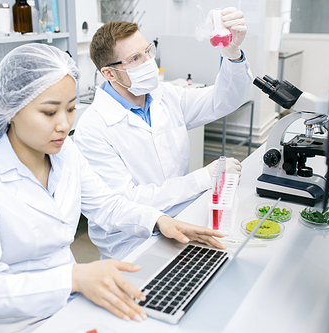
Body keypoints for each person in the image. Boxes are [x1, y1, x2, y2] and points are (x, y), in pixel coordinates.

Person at [0, 43, 225, 332]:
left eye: (70, 109)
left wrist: (159, 220)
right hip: (20, 323)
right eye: (49, 112)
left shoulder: (66, 152)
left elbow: (106, 204)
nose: (64, 124)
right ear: (10, 110)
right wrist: (73, 278)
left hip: (73, 302)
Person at [74, 7, 253, 260]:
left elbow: (223, 99)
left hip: (183, 219)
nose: (148, 62)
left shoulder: (165, 95)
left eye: (148, 51)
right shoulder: (93, 129)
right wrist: (202, 178)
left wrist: (232, 53)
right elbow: (127, 202)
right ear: (109, 73)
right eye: (135, 59)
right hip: (133, 243)